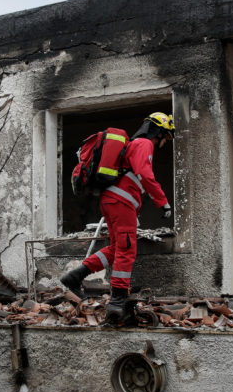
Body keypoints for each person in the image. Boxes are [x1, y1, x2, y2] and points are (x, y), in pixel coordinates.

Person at [60, 112, 174, 324]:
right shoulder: (143, 144)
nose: (164, 143)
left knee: (117, 248)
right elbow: (145, 174)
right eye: (165, 137)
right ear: (158, 131)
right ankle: (117, 301)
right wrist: (163, 202)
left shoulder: (134, 144)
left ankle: (75, 276)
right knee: (127, 248)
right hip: (122, 202)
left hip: (112, 201)